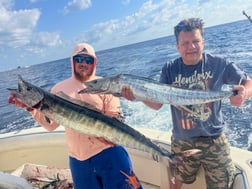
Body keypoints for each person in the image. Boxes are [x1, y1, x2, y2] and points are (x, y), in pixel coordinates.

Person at [121, 18, 252, 189]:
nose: (191, 47)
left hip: (214, 138)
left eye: (196, 41)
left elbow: (249, 83)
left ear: (203, 42)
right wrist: (137, 96)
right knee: (178, 181)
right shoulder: (169, 68)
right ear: (177, 46)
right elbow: (158, 104)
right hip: (182, 140)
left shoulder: (219, 63)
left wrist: (243, 94)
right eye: (185, 43)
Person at [8, 43, 143, 189]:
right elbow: (50, 125)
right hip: (79, 161)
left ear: (94, 63)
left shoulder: (105, 85)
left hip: (110, 154)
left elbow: (115, 120)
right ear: (72, 61)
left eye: (88, 60)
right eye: (79, 59)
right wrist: (31, 109)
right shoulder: (58, 89)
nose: (83, 63)